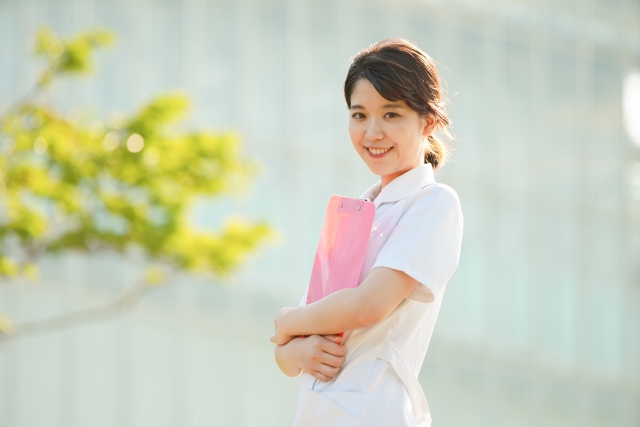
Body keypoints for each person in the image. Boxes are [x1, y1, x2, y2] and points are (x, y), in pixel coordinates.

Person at [271, 38, 463, 427]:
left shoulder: (433, 204)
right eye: (359, 115)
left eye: (391, 115)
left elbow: (368, 306)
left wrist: (286, 323)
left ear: (428, 121)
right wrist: (288, 352)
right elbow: (299, 342)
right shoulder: (353, 212)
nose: (372, 132)